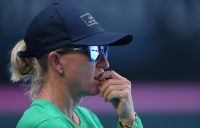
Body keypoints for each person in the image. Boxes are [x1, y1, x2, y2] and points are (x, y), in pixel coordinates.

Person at [9, 3, 143, 128]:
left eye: (104, 50)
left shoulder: (87, 117)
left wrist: (128, 120)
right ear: (57, 61)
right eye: (93, 51)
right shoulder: (45, 123)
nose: (105, 63)